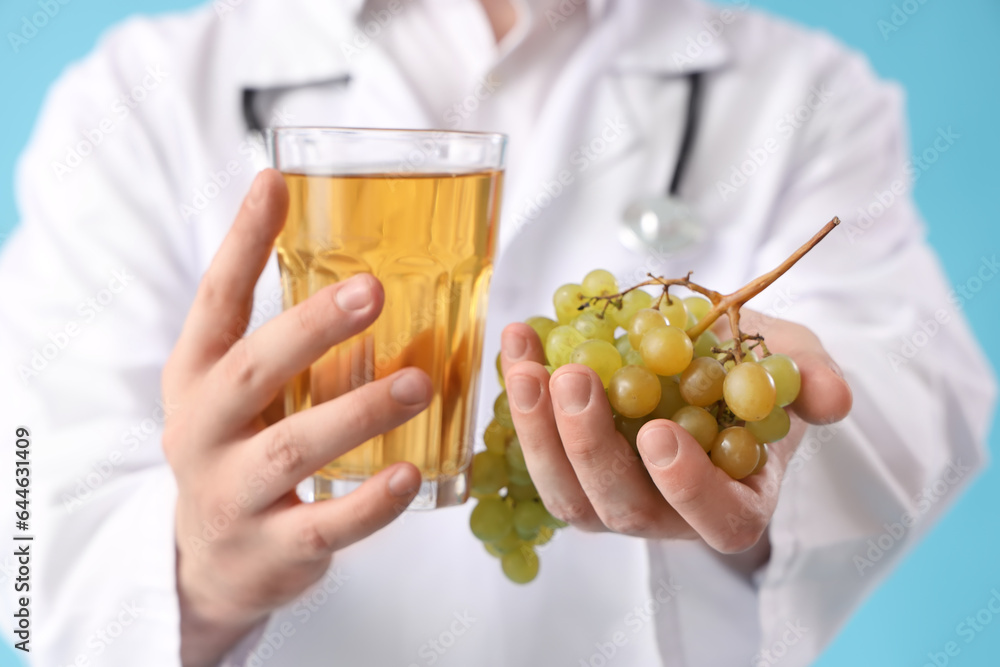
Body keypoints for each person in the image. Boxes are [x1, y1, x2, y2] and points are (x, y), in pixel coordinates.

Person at [0, 0, 994, 665]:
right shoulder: (135, 94)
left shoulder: (802, 91)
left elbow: (924, 390)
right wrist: (187, 567)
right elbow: (23, 522)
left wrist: (791, 442)